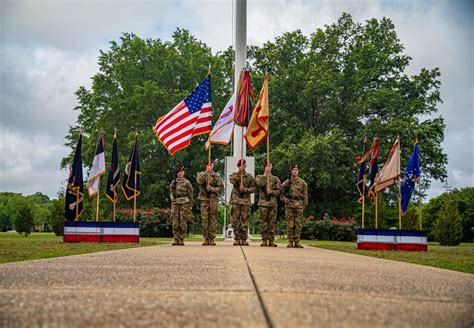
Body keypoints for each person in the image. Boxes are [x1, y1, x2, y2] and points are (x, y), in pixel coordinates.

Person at [196, 160, 224, 246]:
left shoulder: (216, 176)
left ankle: (212, 238)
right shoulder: (201, 174)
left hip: (213, 200)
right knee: (205, 219)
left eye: (211, 165)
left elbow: (220, 188)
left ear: (213, 166)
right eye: (208, 165)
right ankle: (206, 238)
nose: (210, 166)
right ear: (206, 166)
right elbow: (199, 181)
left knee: (213, 219)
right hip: (204, 199)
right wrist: (206, 173)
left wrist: (212, 189)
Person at [280, 164, 308, 248]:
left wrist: (304, 205)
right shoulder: (287, 182)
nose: (295, 171)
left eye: (296, 169)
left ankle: (297, 241)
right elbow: (280, 192)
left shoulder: (302, 182)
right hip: (290, 205)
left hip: (299, 206)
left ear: (298, 171)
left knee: (298, 224)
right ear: (291, 171)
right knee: (290, 224)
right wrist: (285, 200)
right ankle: (290, 241)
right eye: (293, 169)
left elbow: (305, 195)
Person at [229, 159, 255, 246]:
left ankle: (244, 238)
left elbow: (253, 189)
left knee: (244, 221)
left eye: (243, 165)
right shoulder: (233, 175)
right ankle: (237, 238)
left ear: (246, 166)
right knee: (235, 221)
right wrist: (238, 173)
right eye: (240, 165)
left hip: (245, 201)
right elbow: (232, 181)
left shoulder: (250, 177)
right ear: (238, 166)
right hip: (236, 200)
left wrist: (245, 189)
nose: (242, 167)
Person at [255, 161, 281, 247]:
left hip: (272, 204)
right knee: (263, 222)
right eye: (266, 166)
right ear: (264, 167)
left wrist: (271, 191)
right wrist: (265, 175)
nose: (268, 167)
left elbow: (279, 191)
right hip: (263, 203)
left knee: (272, 223)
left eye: (270, 165)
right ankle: (264, 239)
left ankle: (271, 240)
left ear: (272, 166)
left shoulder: (275, 178)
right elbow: (259, 184)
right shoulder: (259, 177)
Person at [169, 165, 193, 246]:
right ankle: (176, 238)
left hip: (184, 203)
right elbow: (171, 192)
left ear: (184, 173)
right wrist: (172, 197)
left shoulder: (187, 182)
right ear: (177, 173)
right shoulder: (173, 182)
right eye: (179, 172)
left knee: (183, 222)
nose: (180, 173)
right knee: (175, 222)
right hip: (175, 203)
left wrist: (190, 206)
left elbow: (190, 195)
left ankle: (181, 239)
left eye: (182, 172)